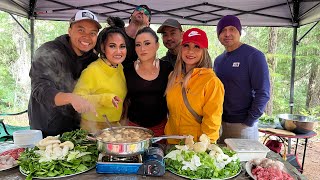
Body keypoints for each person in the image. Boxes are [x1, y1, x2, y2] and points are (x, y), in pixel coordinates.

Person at [28, 10, 102, 137]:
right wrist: (71, 98)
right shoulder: (49, 51)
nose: (87, 36)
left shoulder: (93, 60)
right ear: (69, 30)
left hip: (77, 131)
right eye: (81, 30)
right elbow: (40, 89)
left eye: (93, 33)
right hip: (45, 130)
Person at [214, 15, 270, 143]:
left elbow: (263, 92)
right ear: (218, 35)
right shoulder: (218, 60)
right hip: (220, 123)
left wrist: (249, 121)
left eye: (232, 29)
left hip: (243, 125)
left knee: (245, 163)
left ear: (239, 32)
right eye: (223, 30)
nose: (227, 34)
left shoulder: (254, 56)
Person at [165, 28, 225, 144]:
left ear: (204, 51)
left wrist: (205, 147)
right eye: (186, 45)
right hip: (172, 143)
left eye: (197, 46)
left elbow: (212, 121)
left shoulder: (211, 82)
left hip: (195, 149)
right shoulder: (173, 76)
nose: (190, 51)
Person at [73, 17, 127, 133]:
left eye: (122, 46)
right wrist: (105, 98)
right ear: (103, 47)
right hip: (92, 128)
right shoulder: (92, 70)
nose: (118, 51)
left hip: (114, 127)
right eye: (112, 46)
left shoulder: (120, 67)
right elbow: (76, 99)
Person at [124, 27, 173, 137]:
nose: (142, 49)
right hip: (133, 129)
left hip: (160, 128)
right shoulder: (127, 70)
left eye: (147, 43)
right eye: (138, 45)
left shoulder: (167, 68)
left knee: (157, 154)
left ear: (157, 46)